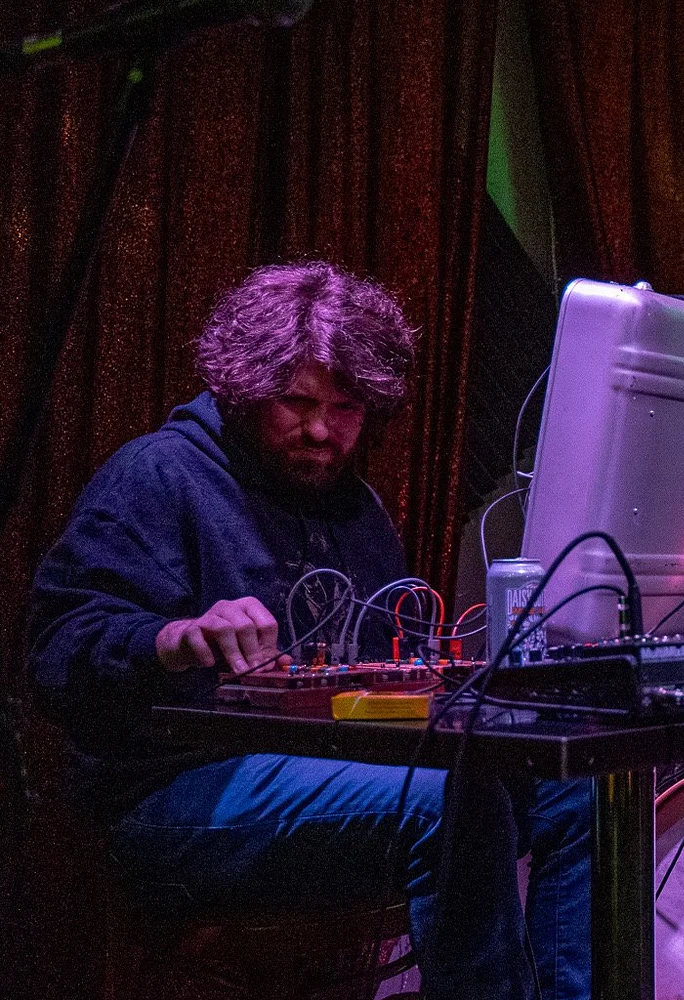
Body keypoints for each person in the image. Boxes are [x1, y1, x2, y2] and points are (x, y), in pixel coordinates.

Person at [25, 262, 591, 999]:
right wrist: (169, 637)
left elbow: (381, 684)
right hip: (169, 795)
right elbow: (55, 650)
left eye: (346, 408)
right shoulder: (159, 475)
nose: (322, 430)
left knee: (576, 791)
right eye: (296, 401)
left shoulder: (355, 510)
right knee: (457, 802)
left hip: (331, 779)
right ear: (244, 389)